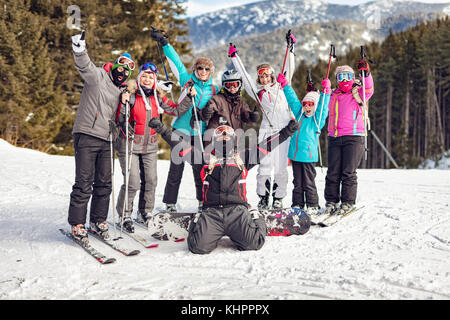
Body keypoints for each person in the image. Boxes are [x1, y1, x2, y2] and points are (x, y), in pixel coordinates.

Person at [148, 115, 300, 254]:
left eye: (228, 136)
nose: (224, 139)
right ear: (215, 141)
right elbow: (180, 145)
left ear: (233, 139)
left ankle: (254, 216)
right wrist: (161, 129)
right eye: (221, 137)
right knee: (197, 247)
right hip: (212, 212)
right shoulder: (203, 160)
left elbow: (267, 145)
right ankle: (199, 221)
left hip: (237, 212)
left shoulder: (243, 158)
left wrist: (287, 132)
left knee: (255, 243)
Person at [68, 30, 134, 242]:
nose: (122, 73)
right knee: (84, 181)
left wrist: (125, 103)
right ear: (114, 66)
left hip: (107, 140)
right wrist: (79, 48)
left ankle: (97, 220)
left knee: (104, 183)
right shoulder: (98, 77)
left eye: (127, 71)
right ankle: (78, 223)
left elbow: (122, 120)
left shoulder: (121, 91)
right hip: (87, 134)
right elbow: (84, 65)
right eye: (120, 67)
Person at [115, 63, 191, 232]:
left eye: (151, 77)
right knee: (132, 182)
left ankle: (144, 212)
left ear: (155, 80)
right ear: (139, 78)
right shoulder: (131, 96)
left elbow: (176, 110)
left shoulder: (158, 98)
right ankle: (124, 215)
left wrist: (188, 97)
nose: (147, 79)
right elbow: (119, 118)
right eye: (145, 76)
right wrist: (123, 105)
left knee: (151, 180)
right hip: (130, 143)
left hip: (150, 145)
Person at [151, 28, 219, 213]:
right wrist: (165, 43)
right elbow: (176, 63)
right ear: (195, 69)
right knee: (176, 168)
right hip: (181, 131)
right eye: (199, 68)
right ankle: (170, 203)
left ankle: (201, 201)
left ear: (210, 71)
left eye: (206, 69)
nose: (202, 71)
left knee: (199, 169)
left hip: (200, 133)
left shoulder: (214, 89)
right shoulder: (187, 80)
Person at [228, 44, 292, 210]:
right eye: (260, 76)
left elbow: (288, 68)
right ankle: (263, 197)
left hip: (284, 130)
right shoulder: (258, 92)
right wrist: (235, 57)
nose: (263, 78)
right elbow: (244, 76)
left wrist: (290, 49)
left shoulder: (282, 87)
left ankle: (278, 197)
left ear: (271, 75)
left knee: (280, 166)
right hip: (267, 131)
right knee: (265, 165)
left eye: (266, 75)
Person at [277, 73, 331, 218]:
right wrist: (285, 85)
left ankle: (313, 205)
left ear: (315, 106)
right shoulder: (299, 114)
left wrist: (326, 93)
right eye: (305, 104)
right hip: (295, 155)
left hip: (308, 157)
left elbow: (323, 109)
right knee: (297, 183)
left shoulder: (317, 120)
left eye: (311, 104)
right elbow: (293, 99)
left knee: (308, 183)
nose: (307, 107)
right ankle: (297, 205)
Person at [324, 62, 374, 215]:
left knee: (348, 172)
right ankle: (331, 201)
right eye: (341, 76)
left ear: (353, 78)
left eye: (348, 76)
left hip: (354, 137)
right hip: (335, 136)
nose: (345, 80)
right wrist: (324, 91)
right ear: (337, 79)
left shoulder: (359, 92)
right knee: (333, 172)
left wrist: (366, 74)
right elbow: (321, 106)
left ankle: (348, 202)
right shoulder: (333, 95)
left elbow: (369, 88)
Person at [197, 69, 260, 133]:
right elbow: (204, 116)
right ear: (224, 86)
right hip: (216, 139)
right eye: (228, 85)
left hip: (233, 140)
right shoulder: (217, 100)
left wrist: (252, 117)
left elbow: (246, 117)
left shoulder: (241, 104)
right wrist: (206, 112)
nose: (232, 88)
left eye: (235, 85)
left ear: (240, 85)